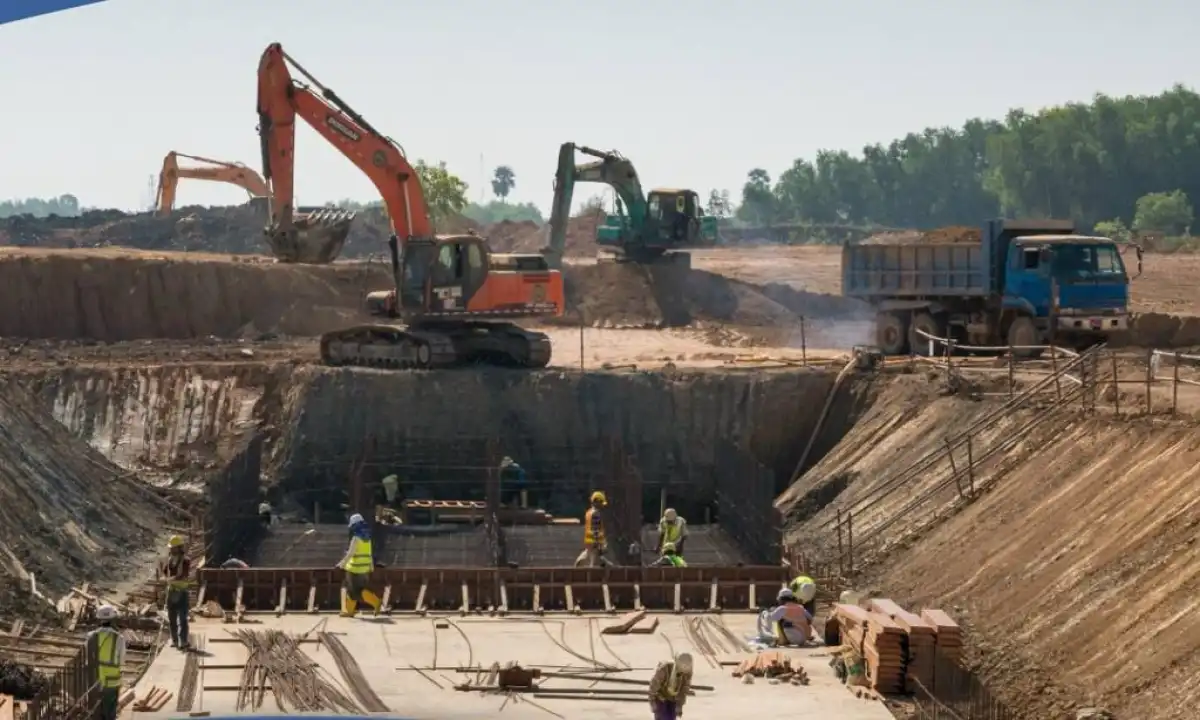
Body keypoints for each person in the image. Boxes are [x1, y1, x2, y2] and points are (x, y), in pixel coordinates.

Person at [338, 513, 381, 617]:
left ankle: (376, 602)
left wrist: (342, 563)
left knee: (353, 591)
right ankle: (350, 611)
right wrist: (371, 566)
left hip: (354, 568)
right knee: (358, 590)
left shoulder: (356, 538)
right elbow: (369, 553)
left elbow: (351, 553)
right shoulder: (367, 538)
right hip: (364, 568)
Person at [87, 604, 124, 720]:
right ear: (113, 619)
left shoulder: (91, 636)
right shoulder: (119, 638)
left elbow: (87, 656)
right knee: (110, 712)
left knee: (96, 711)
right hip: (111, 681)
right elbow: (122, 659)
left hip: (94, 680)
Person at [161, 535, 191, 649]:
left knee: (183, 618)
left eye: (173, 548)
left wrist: (170, 579)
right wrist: (165, 578)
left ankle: (183, 641)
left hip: (182, 592)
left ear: (179, 548)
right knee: (172, 618)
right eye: (171, 548)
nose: (171, 550)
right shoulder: (169, 561)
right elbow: (165, 572)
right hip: (171, 592)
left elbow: (183, 575)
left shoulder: (186, 561)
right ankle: (174, 640)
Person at [648, 652, 693, 720]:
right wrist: (652, 701)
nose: (683, 672)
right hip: (660, 696)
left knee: (671, 718)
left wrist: (679, 705)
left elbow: (684, 690)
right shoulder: (665, 668)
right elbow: (654, 685)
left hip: (673, 698)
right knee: (663, 717)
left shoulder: (687, 673)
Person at [574, 491, 612, 567]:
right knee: (594, 565)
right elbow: (596, 530)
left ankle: (578, 565)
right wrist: (600, 546)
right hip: (594, 543)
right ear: (596, 501)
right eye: (601, 502)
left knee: (588, 556)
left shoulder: (588, 512)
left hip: (589, 542)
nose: (602, 505)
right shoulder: (596, 513)